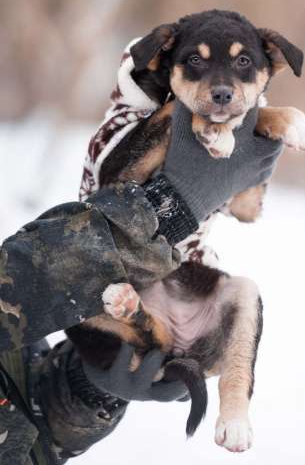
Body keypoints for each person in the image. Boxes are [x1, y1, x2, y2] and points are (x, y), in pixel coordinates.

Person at [0, 101, 282, 464]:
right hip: (146, 281)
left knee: (242, 294)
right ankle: (234, 392)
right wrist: (163, 212)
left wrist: (89, 389)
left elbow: (27, 432)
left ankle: (234, 392)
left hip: (153, 298)